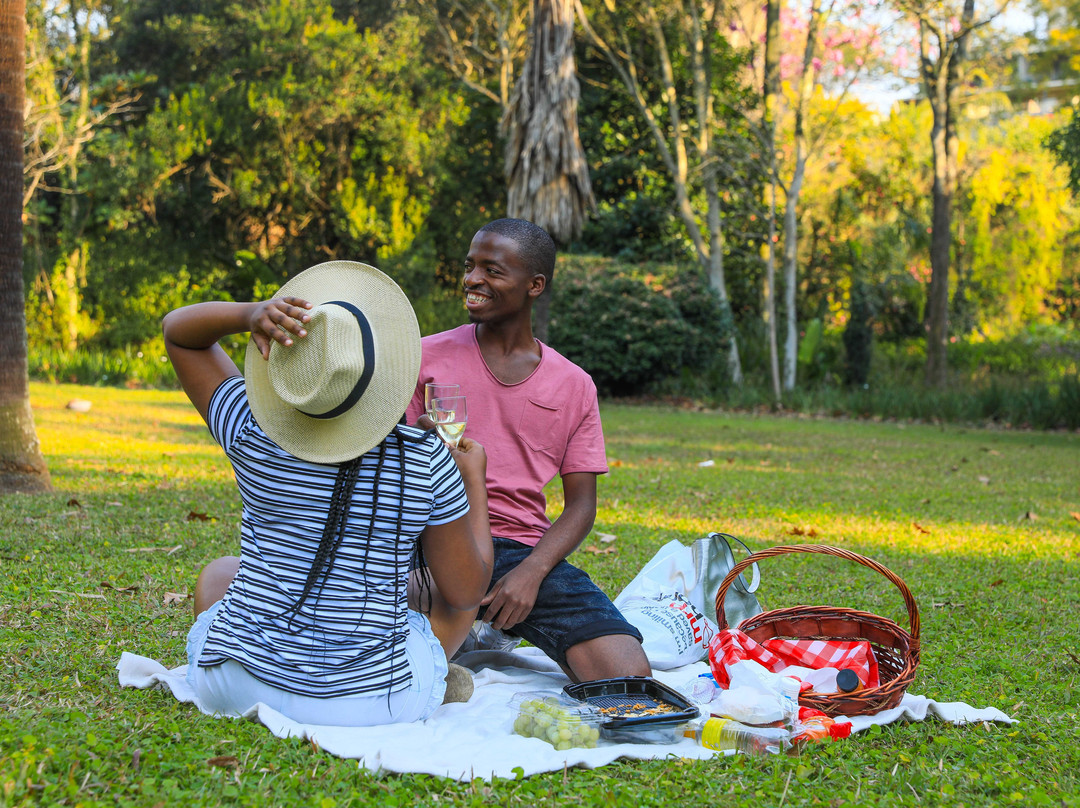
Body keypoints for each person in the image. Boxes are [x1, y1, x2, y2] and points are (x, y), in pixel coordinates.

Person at [164, 260, 492, 726]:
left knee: (220, 574)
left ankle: (265, 674)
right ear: (387, 370)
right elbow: (466, 590)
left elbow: (178, 332)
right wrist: (471, 480)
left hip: (231, 686)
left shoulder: (251, 428)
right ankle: (431, 677)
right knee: (445, 604)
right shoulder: (423, 456)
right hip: (368, 705)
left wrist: (249, 314)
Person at [405, 218, 651, 682]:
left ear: (535, 285)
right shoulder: (422, 357)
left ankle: (469, 629)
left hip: (516, 550)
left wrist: (532, 571)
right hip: (429, 536)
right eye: (469, 266)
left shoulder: (574, 384)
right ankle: (449, 632)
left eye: (492, 271)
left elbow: (581, 505)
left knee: (625, 673)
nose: (472, 280)